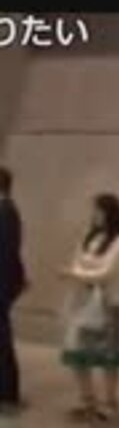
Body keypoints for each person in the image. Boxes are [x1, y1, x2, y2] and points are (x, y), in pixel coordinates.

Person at [60, 193, 119, 424]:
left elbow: (106, 272)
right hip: (84, 301)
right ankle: (87, 400)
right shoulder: (88, 236)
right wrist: (79, 272)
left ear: (110, 213)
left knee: (109, 354)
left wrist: (78, 273)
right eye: (94, 210)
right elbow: (77, 261)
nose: (95, 215)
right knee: (79, 352)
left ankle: (109, 403)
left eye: (99, 211)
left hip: (109, 303)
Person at [0, 166, 26, 414]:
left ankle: (8, 390)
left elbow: (7, 253)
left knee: (2, 338)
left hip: (2, 283)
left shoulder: (7, 211)